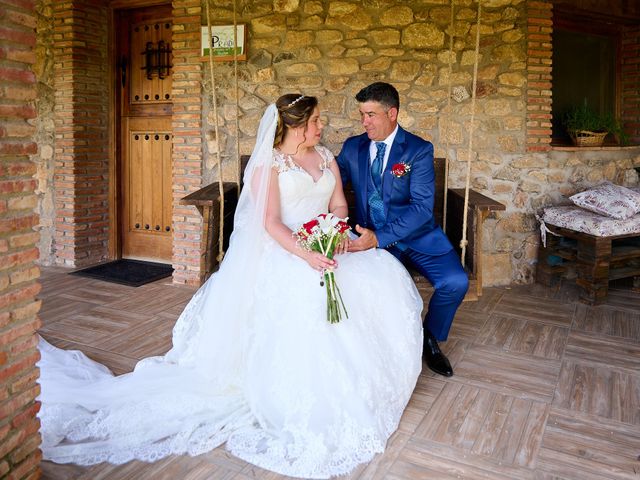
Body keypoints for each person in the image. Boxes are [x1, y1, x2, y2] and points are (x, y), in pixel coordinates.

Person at [37, 94, 424, 479]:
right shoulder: (268, 167)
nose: (322, 126)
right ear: (295, 125)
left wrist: (334, 230)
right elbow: (271, 223)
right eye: (317, 120)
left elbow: (339, 204)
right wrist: (306, 253)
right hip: (287, 251)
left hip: (325, 244)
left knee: (380, 280)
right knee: (307, 303)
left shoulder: (325, 158)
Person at [337, 82, 469, 378]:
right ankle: (385, 347)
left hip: (417, 238)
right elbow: (327, 181)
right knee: (375, 289)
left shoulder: (418, 150)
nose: (364, 122)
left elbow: (422, 209)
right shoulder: (352, 148)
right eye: (362, 114)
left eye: (370, 114)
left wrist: (380, 238)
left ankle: (430, 339)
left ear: (392, 113)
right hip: (370, 241)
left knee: (455, 282)